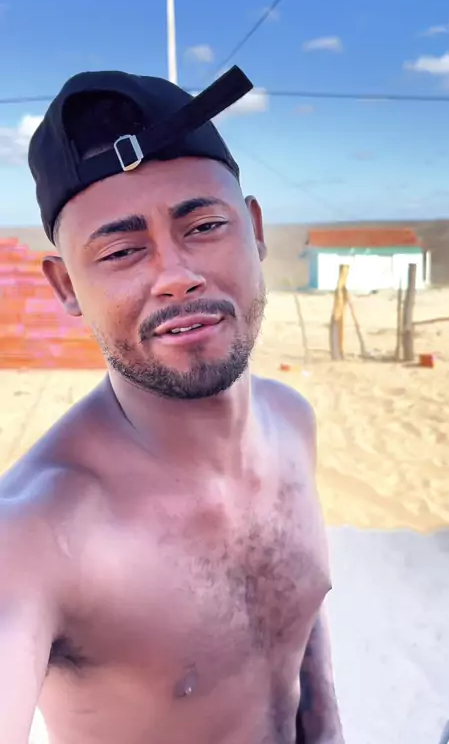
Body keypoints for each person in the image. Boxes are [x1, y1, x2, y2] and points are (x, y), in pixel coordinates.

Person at [0, 65, 344, 744]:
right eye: (123, 251)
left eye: (204, 225)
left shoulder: (292, 423)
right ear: (66, 287)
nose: (176, 277)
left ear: (254, 229)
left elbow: (299, 626)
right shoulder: (38, 533)